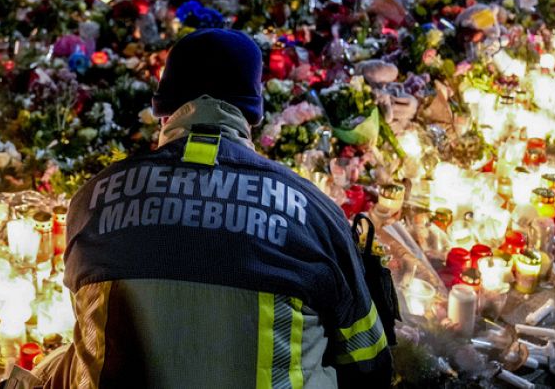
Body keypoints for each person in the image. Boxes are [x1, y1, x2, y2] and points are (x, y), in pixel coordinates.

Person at [32, 29, 394, 389]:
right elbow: (368, 358)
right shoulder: (312, 209)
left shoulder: (93, 199)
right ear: (251, 114)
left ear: (164, 110)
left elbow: (88, 326)